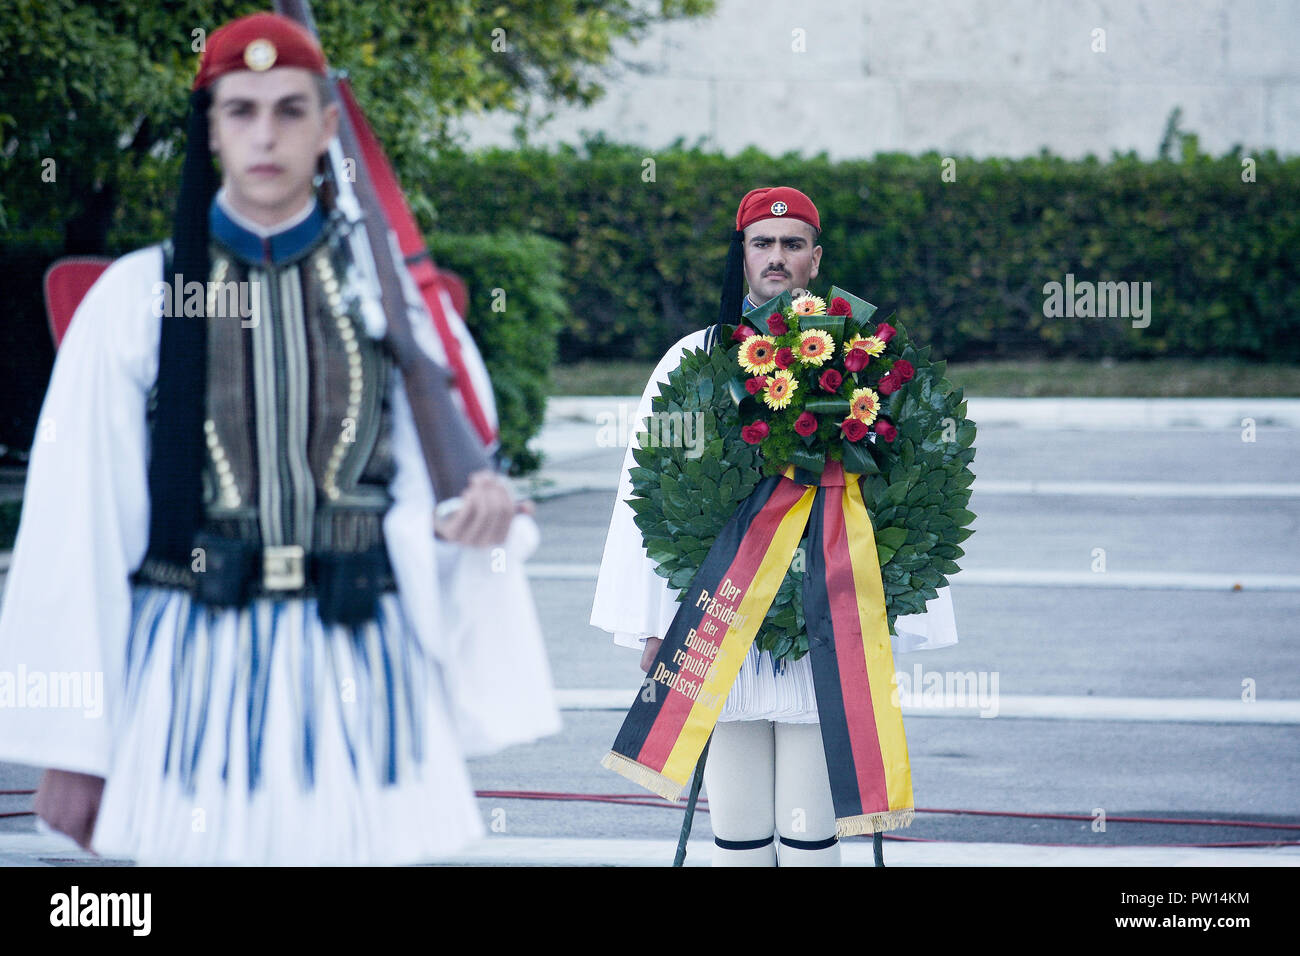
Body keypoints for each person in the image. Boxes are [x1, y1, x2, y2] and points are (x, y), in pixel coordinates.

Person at [0, 12, 558, 865]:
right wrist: (75, 742)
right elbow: (78, 526)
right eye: (242, 109)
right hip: (191, 665)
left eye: (291, 110)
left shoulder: (395, 301)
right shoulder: (134, 298)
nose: (266, 134)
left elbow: (445, 496)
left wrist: (475, 523)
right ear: (213, 127)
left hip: (362, 666)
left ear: (329, 126)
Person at [591, 186, 959, 866]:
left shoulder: (865, 361)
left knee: (811, 833)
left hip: (825, 618)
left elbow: (904, 491)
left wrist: (891, 615)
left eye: (793, 245)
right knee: (737, 831)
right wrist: (650, 620)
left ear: (815, 260)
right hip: (719, 613)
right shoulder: (691, 361)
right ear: (744, 256)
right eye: (763, 243)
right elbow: (647, 493)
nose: (778, 258)